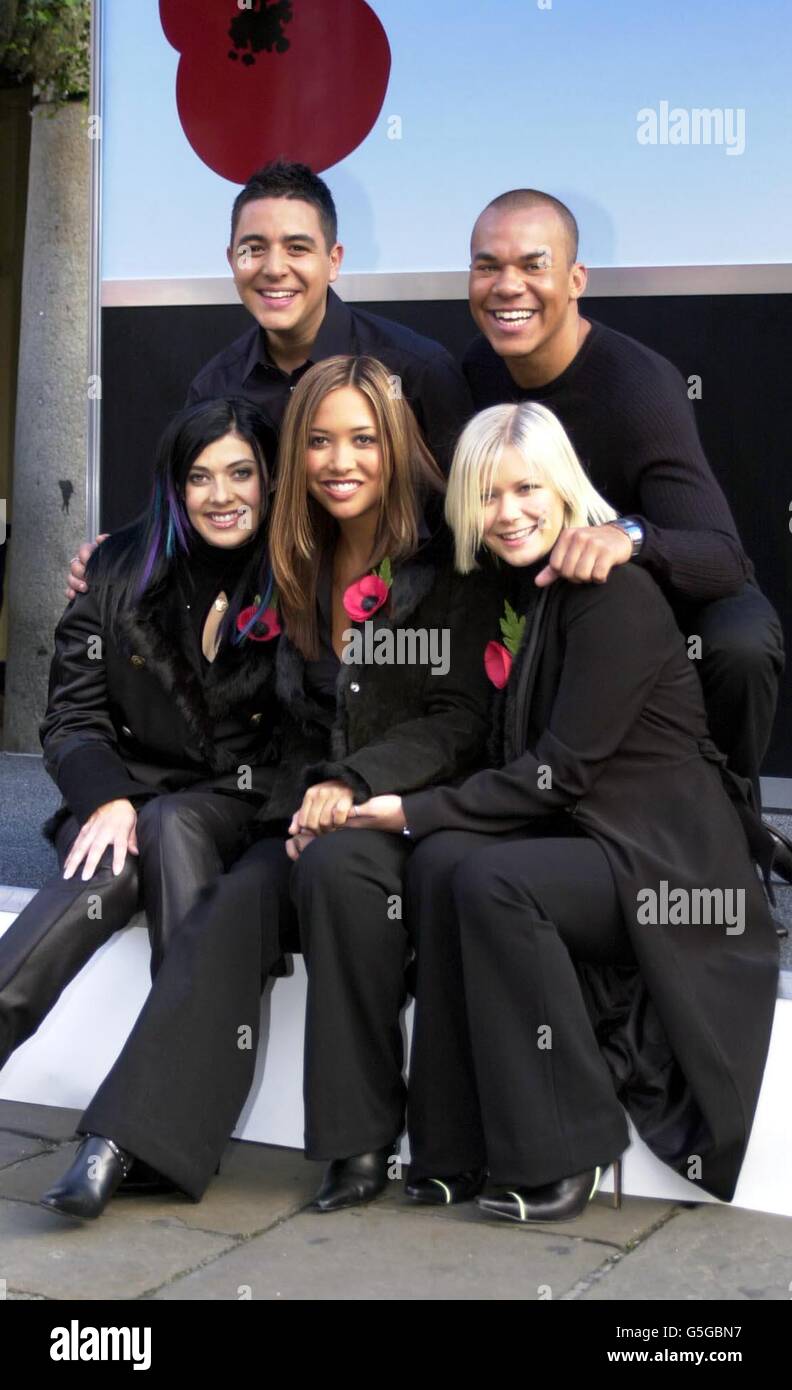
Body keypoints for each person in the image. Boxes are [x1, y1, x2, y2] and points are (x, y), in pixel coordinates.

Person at [37, 355, 498, 1220]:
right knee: (232, 908)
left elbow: (459, 718)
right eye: (318, 441)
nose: (339, 460)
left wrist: (355, 781)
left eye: (363, 439)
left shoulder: (452, 556)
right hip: (300, 810)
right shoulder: (296, 554)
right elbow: (187, 564)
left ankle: (355, 1141)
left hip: (410, 810)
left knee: (326, 875)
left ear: (397, 442)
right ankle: (123, 1142)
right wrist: (108, 556)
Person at [346, 401, 779, 1220]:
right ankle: (453, 1150)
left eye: (526, 490)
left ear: (563, 488)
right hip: (592, 840)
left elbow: (560, 774)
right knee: (439, 866)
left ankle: (569, 1149)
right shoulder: (527, 589)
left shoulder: (613, 594)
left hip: (665, 864)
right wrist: (416, 818)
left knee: (493, 882)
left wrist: (411, 808)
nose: (507, 513)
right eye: (487, 495)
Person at [0, 399, 281, 1194]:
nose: (221, 495)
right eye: (200, 477)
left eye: (240, 473)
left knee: (172, 825)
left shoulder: (298, 573)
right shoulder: (119, 567)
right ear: (174, 485)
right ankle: (163, 1128)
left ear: (268, 479)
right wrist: (107, 797)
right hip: (130, 799)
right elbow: (71, 718)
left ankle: (152, 1125)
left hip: (245, 807)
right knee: (116, 855)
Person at [461, 189, 785, 842]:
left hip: (669, 591)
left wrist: (628, 536)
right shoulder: (474, 374)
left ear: (576, 279)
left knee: (742, 645)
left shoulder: (637, 385)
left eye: (532, 264)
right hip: (554, 596)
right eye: (487, 266)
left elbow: (723, 557)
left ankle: (732, 834)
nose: (507, 286)